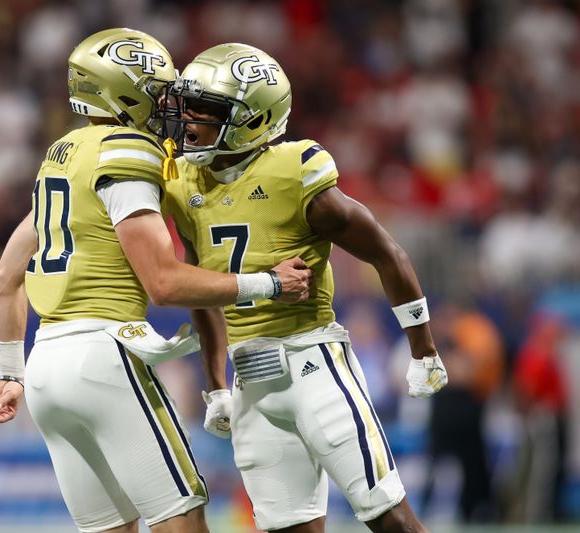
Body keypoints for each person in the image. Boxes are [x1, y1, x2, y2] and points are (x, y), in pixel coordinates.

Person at [0, 29, 312, 533]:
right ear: (123, 92)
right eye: (157, 89)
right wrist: (267, 283)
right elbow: (164, 283)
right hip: (104, 358)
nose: (169, 101)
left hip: (45, 369)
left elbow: (4, 276)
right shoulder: (128, 148)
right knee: (183, 520)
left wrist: (11, 372)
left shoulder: (61, 154)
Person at [161, 44, 449, 533]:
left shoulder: (294, 171)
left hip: (313, 364)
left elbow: (386, 253)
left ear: (252, 119)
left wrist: (423, 349)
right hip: (250, 378)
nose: (189, 120)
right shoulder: (183, 182)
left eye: (207, 110)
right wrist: (214, 387)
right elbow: (203, 287)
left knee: (389, 517)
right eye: (189, 106)